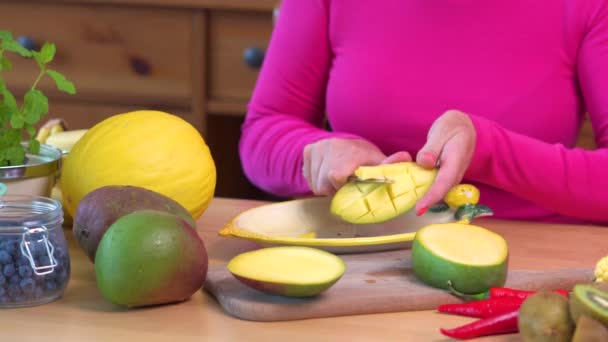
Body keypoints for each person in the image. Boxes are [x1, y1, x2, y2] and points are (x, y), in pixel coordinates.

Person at [238, 0, 608, 225]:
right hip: (363, 256)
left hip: (536, 266)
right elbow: (264, 131)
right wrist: (318, 151)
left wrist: (489, 151)